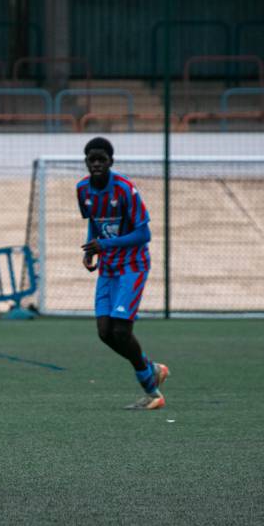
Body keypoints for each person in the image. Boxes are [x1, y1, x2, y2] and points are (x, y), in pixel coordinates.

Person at [76, 137, 170, 410]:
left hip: (133, 265)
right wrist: (90, 251)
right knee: (105, 332)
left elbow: (144, 233)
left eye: (101, 160)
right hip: (108, 267)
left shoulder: (125, 190)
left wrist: (103, 244)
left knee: (121, 329)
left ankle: (153, 391)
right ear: (86, 162)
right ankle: (151, 369)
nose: (96, 164)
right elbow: (94, 222)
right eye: (91, 160)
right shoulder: (82, 189)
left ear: (111, 162)